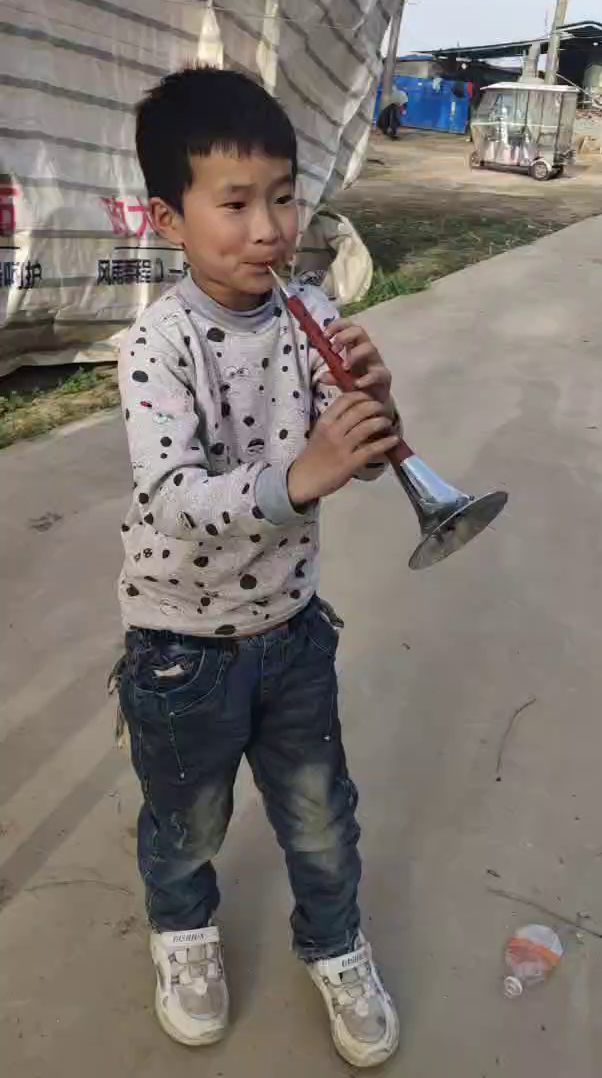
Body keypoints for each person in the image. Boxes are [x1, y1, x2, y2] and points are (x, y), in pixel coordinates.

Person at [111, 66, 402, 1067]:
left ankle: (336, 942)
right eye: (235, 204)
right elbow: (173, 495)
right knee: (186, 823)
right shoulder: (157, 344)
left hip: (293, 631)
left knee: (322, 818)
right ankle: (184, 932)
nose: (270, 228)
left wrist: (374, 412)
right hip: (181, 649)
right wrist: (301, 472)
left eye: (283, 196)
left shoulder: (307, 309)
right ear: (169, 219)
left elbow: (349, 457)